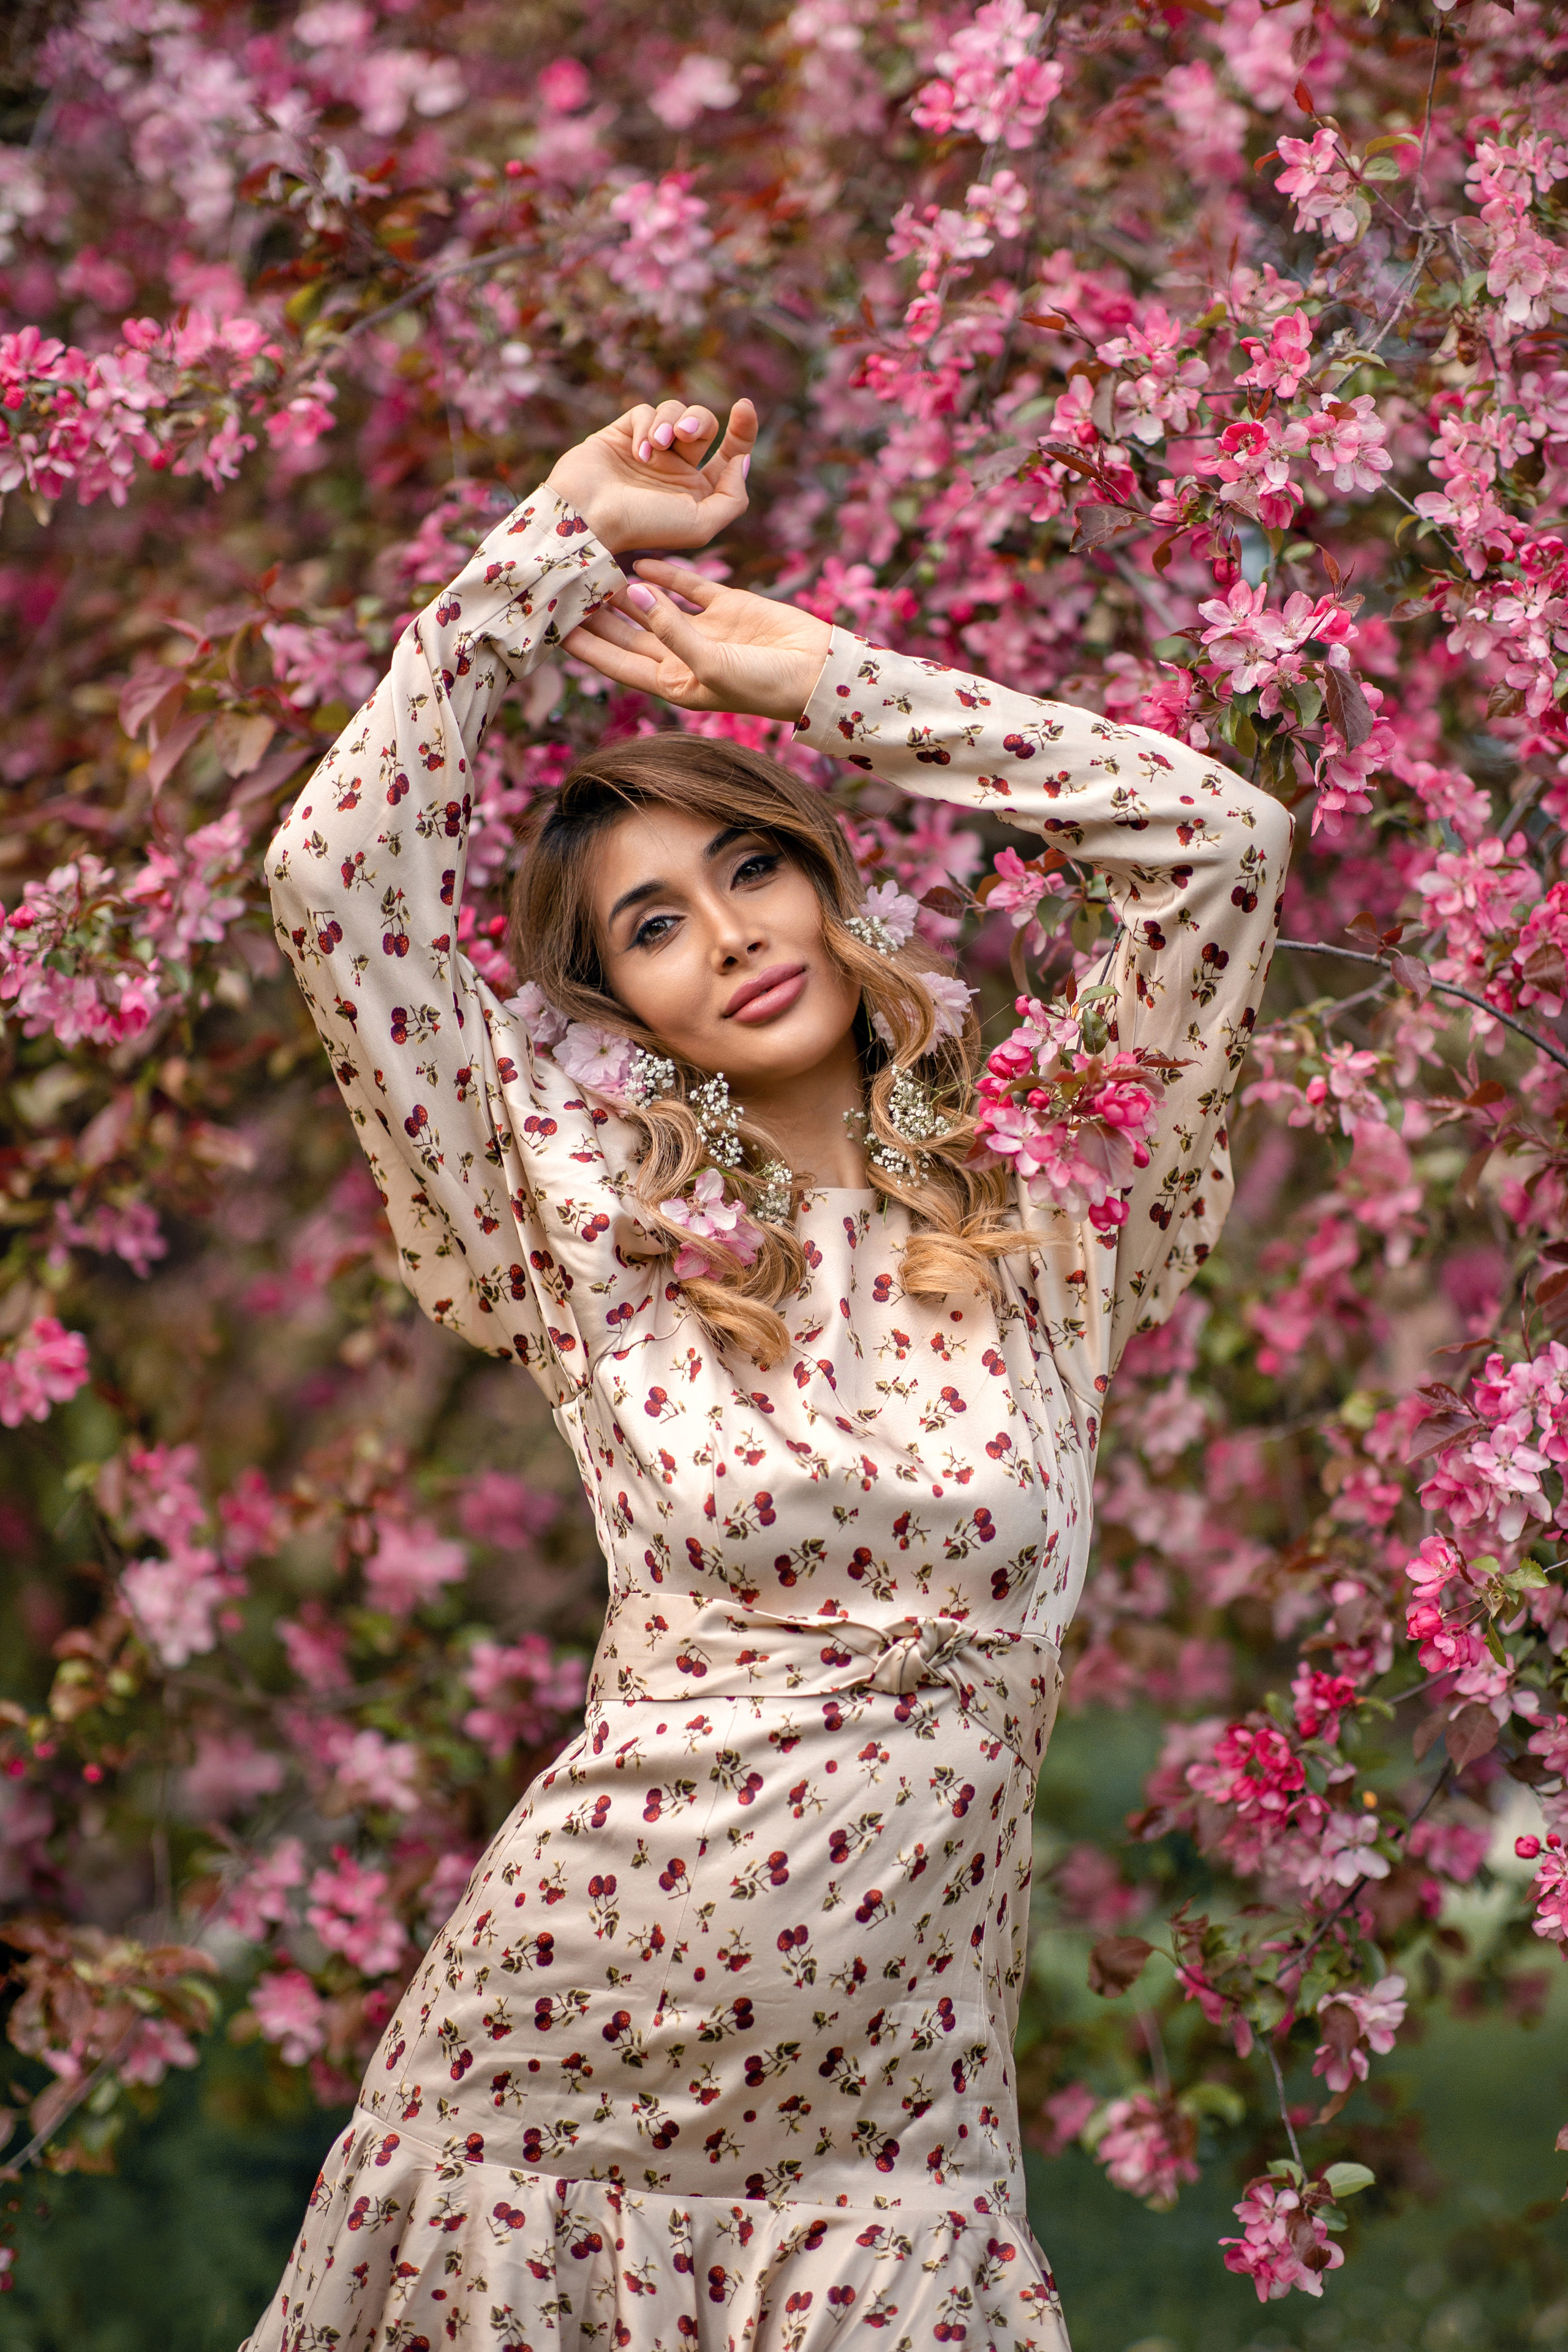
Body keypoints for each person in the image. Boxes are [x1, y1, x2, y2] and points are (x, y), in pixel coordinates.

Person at [243, 394, 1291, 2352]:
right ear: (611, 999)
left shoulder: (1051, 1186)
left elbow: (1222, 848)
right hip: (567, 2064)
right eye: (655, 925)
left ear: (822, 877)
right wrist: (551, 540)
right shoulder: (560, 1205)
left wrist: (827, 682)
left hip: (896, 2127)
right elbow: (336, 880)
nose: (728, 937)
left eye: (750, 872)